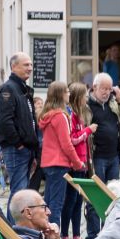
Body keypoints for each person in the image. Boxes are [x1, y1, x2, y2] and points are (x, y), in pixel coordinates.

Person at [37, 81, 86, 230]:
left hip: (48, 162)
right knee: (56, 204)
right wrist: (78, 163)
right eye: (67, 91)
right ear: (61, 95)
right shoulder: (60, 116)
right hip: (59, 164)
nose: (69, 94)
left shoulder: (47, 115)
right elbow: (66, 144)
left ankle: (45, 233)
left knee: (49, 202)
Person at [0, 53, 38, 213]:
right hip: (16, 149)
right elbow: (4, 121)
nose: (30, 68)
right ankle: (13, 235)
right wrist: (19, 144)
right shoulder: (9, 88)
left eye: (31, 65)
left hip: (25, 149)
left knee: (21, 194)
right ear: (13, 67)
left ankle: (14, 232)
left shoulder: (22, 88)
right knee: (19, 196)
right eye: (26, 65)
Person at [62, 82, 99, 239]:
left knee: (78, 201)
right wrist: (88, 130)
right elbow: (73, 139)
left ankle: (76, 235)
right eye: (84, 95)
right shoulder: (71, 115)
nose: (86, 98)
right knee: (70, 201)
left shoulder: (81, 114)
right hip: (75, 163)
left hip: (83, 163)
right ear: (78, 97)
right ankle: (64, 235)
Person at [87, 72, 120, 195]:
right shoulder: (87, 104)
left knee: (113, 193)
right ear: (94, 87)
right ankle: (93, 215)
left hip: (114, 156)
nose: (106, 92)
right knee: (98, 193)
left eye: (109, 89)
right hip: (97, 156)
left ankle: (110, 215)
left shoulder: (113, 102)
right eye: (103, 89)